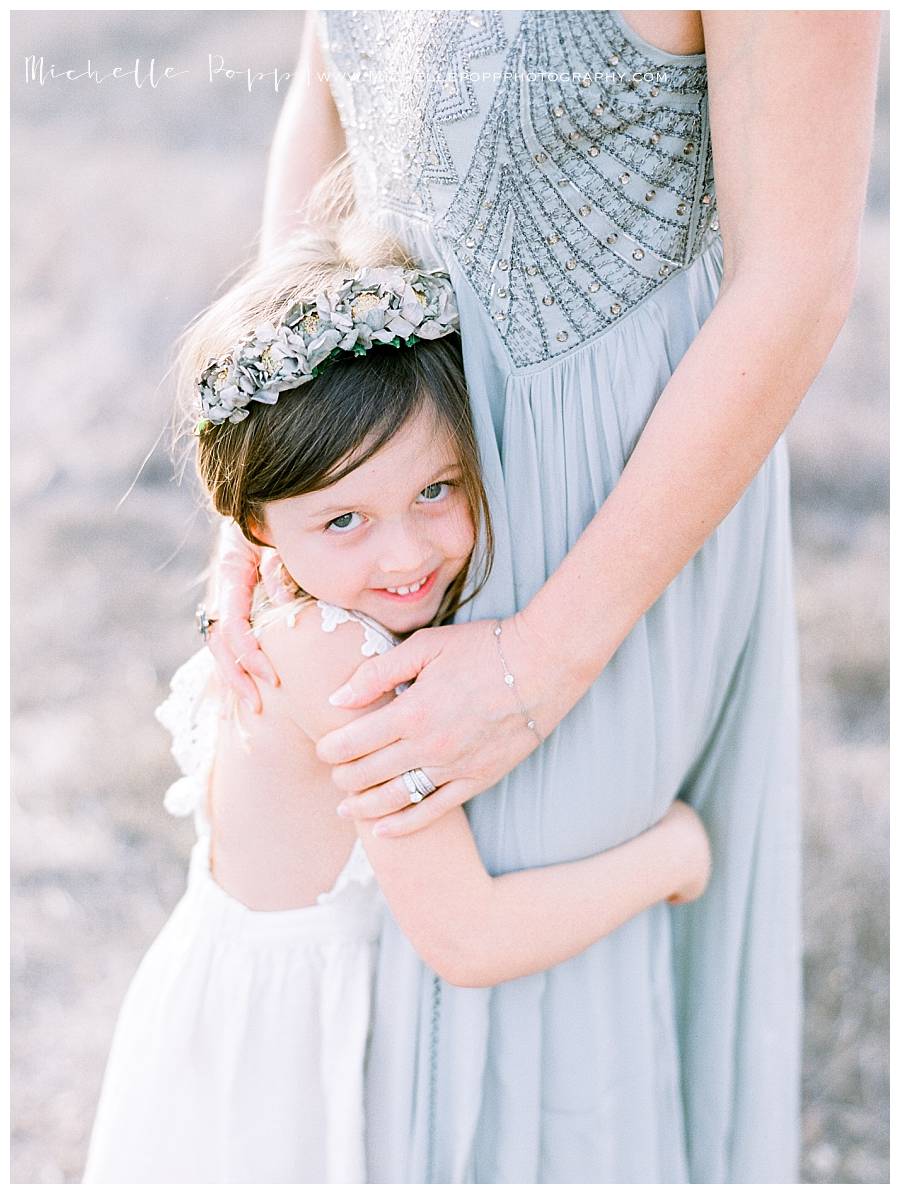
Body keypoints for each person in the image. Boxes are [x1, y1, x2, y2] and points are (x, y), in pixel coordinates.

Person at [207, 9, 881, 1182]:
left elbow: (799, 279)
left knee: (542, 1027)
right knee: (370, 979)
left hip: (605, 519)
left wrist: (545, 657)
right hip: (380, 473)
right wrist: (268, 487)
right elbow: (327, 93)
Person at [81, 212, 712, 1184]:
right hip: (275, 1080)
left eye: (437, 489)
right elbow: (469, 934)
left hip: (218, 1019)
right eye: (344, 517)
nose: (407, 553)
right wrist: (672, 853)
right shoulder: (344, 662)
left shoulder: (296, 603)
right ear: (254, 527)